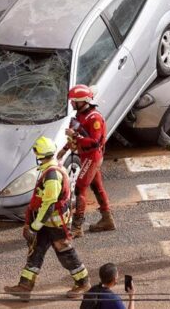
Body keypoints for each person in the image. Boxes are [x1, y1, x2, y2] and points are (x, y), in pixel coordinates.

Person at [4, 136, 90, 300]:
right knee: (36, 250)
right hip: (46, 222)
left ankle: (83, 283)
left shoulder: (52, 176)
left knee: (65, 252)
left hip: (54, 223)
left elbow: (49, 205)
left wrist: (34, 227)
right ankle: (25, 286)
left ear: (40, 156)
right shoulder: (52, 165)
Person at [63, 85, 115, 238]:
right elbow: (76, 135)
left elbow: (95, 142)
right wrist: (65, 149)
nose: (72, 104)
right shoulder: (80, 115)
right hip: (86, 156)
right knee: (97, 187)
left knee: (80, 189)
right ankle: (107, 220)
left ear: (83, 101)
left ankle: (77, 227)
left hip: (92, 157)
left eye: (74, 101)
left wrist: (76, 137)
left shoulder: (94, 118)